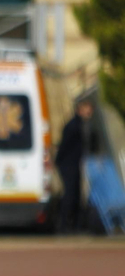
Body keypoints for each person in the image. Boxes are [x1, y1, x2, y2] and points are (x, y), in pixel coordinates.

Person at [55, 99, 100, 233]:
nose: (90, 111)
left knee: (76, 194)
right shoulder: (73, 125)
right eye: (87, 108)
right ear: (80, 109)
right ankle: (65, 224)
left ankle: (76, 224)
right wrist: (58, 162)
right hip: (69, 164)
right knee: (70, 194)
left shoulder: (83, 125)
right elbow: (64, 146)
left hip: (76, 163)